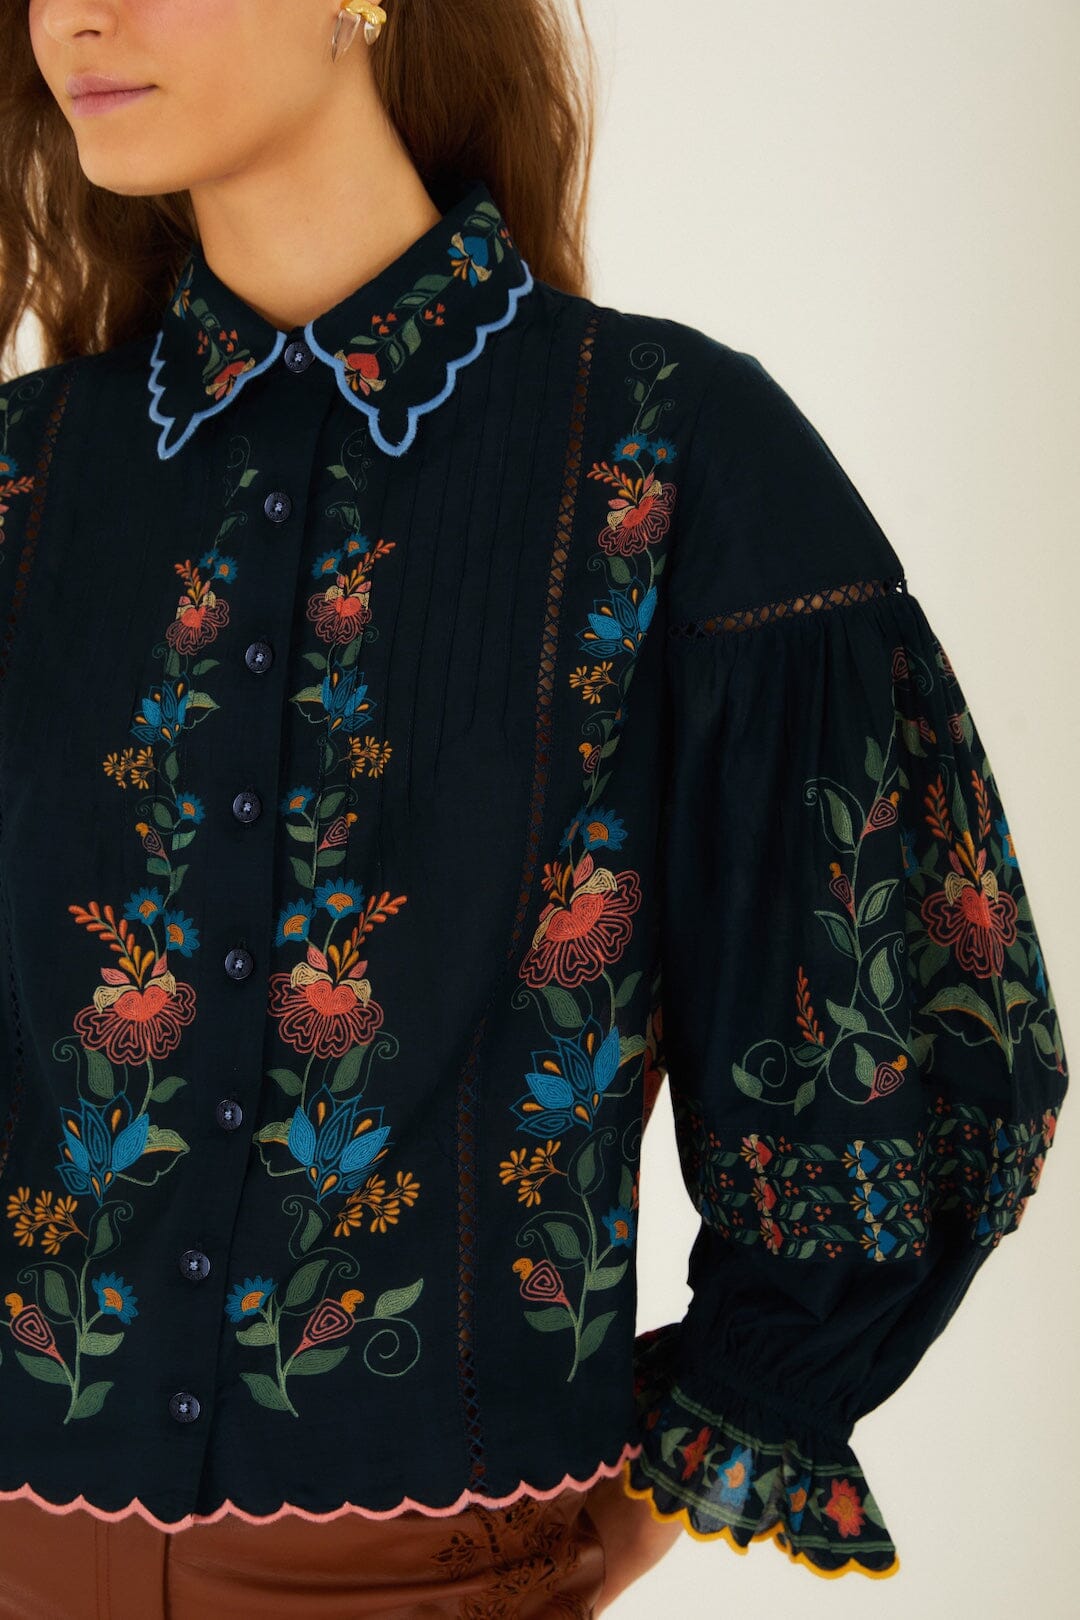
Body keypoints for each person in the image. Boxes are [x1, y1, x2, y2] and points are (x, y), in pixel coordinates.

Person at [0, 1, 1068, 1615]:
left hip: (431, 1564)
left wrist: (705, 1442)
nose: (77, 13)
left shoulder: (668, 449)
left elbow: (909, 1029)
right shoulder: (26, 477)